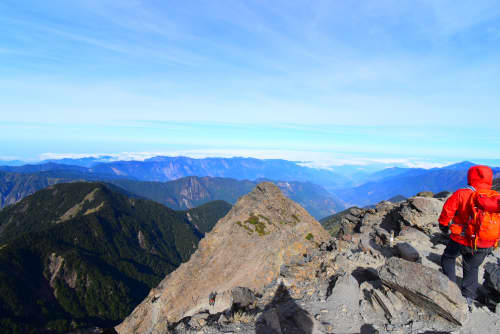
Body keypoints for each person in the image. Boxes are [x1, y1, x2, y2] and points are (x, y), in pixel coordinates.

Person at [438, 165, 495, 309]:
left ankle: (450, 289)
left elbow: (447, 211)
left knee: (448, 258)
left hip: (461, 238)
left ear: (471, 177)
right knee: (472, 268)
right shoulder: (495, 198)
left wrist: (444, 226)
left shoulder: (462, 193)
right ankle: (468, 298)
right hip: (485, 243)